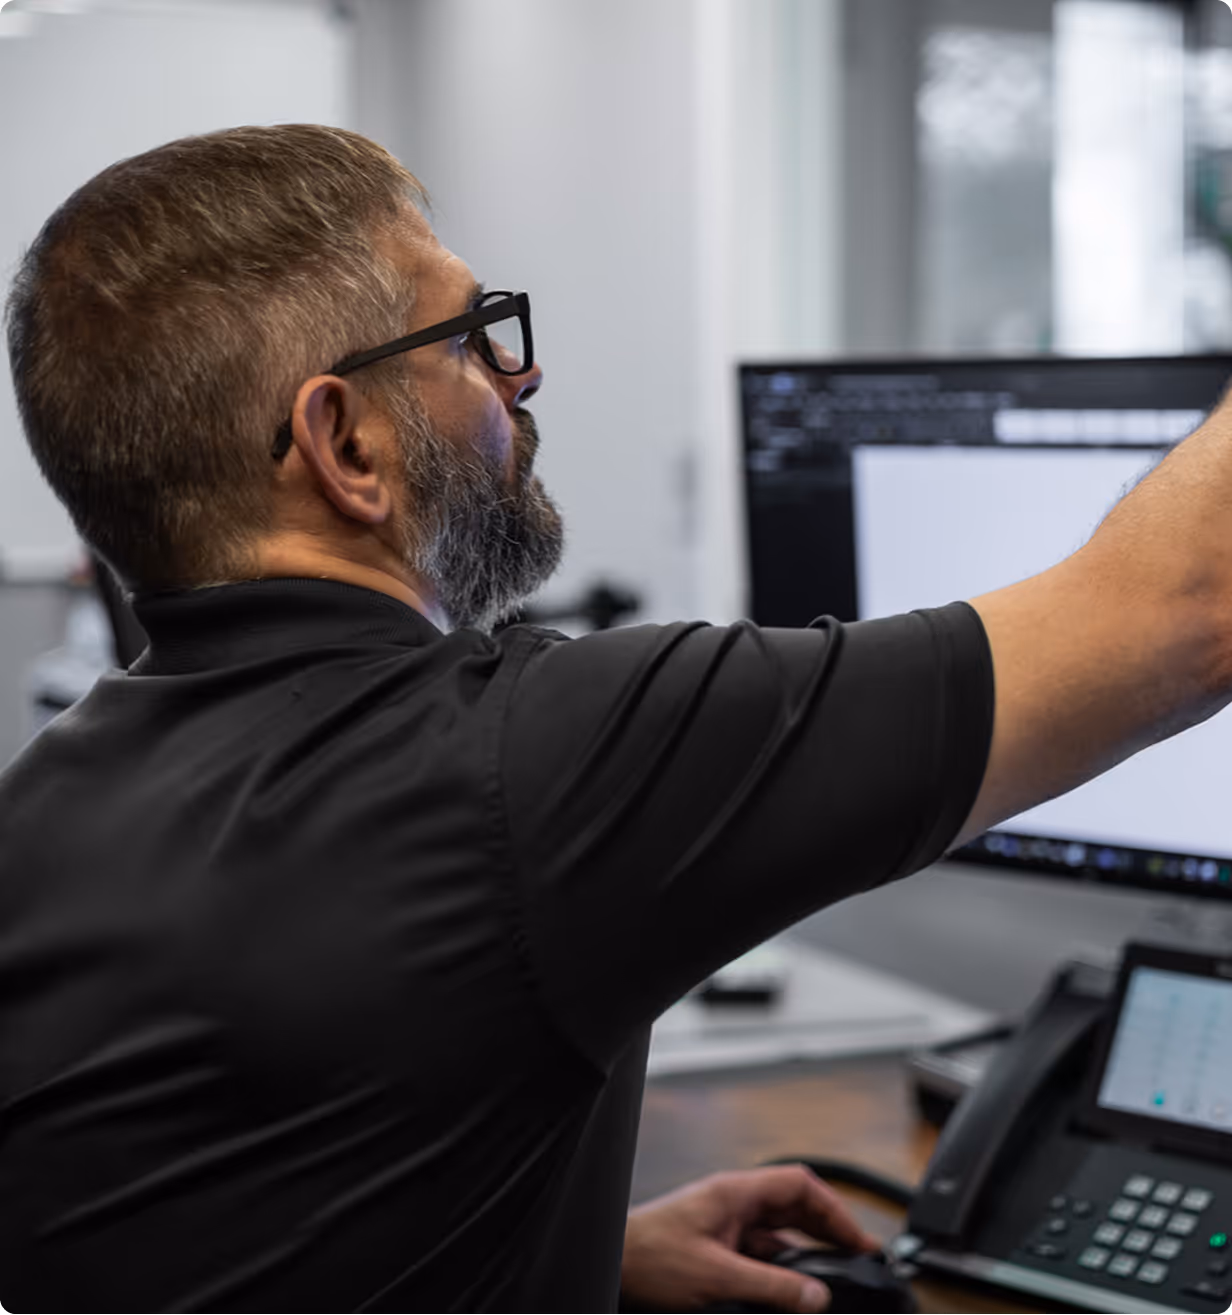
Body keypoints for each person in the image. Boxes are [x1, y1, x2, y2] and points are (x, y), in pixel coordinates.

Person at [3, 124, 1232, 1315]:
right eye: (473, 339)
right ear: (345, 442)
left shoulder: (48, 797)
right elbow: (1184, 610)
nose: (520, 373)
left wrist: (578, 1250)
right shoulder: (518, 766)